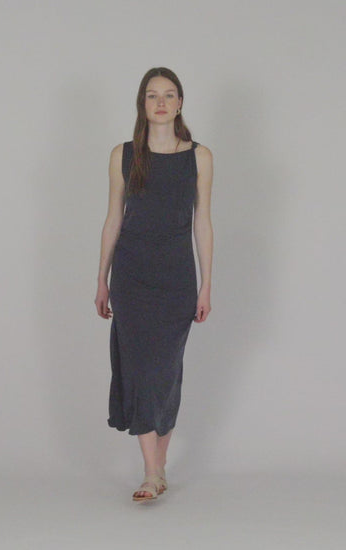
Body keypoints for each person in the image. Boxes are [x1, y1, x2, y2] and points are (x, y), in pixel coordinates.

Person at [94, 67, 213, 502]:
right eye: (152, 95)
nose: (160, 102)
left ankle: (158, 467)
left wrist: (206, 284)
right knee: (141, 370)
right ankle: (150, 472)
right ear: (142, 104)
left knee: (165, 372)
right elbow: (113, 219)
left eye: (169, 94)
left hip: (177, 278)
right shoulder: (123, 155)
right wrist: (102, 278)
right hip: (131, 276)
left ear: (180, 103)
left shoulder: (199, 157)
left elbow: (203, 223)